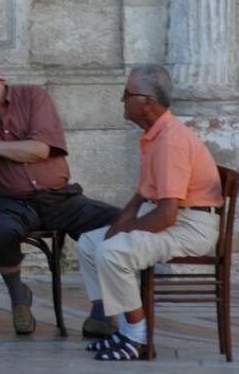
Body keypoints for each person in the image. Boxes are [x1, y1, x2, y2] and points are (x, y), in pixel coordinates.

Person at [0, 46, 121, 336]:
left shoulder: (33, 97)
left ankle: (103, 308)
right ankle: (19, 297)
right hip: (11, 203)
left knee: (120, 222)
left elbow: (39, 150)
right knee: (0, 232)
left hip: (60, 198)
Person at [77, 64, 223, 361]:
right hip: (175, 217)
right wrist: (117, 226)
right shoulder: (154, 135)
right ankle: (121, 327)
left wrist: (123, 232)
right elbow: (141, 196)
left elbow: (166, 216)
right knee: (90, 243)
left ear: (147, 102)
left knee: (111, 252)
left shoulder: (171, 141)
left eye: (127, 94)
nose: (122, 99)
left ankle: (138, 338)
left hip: (191, 226)